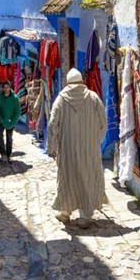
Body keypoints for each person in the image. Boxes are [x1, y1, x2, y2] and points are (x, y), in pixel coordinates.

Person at [48, 68, 108, 229]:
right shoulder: (93, 98)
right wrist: (96, 141)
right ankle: (85, 216)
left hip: (67, 150)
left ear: (68, 82)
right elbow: (103, 123)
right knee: (88, 178)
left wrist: (52, 147)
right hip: (90, 150)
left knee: (67, 179)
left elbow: (52, 124)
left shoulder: (60, 100)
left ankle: (65, 212)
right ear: (81, 82)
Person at [0, 80, 21, 163]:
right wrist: (0, 119)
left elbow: (17, 112)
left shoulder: (15, 98)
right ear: (2, 88)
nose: (6, 89)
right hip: (1, 121)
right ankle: (3, 154)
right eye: (4, 87)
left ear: (10, 88)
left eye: (7, 87)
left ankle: (8, 155)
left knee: (9, 138)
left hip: (10, 121)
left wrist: (12, 122)